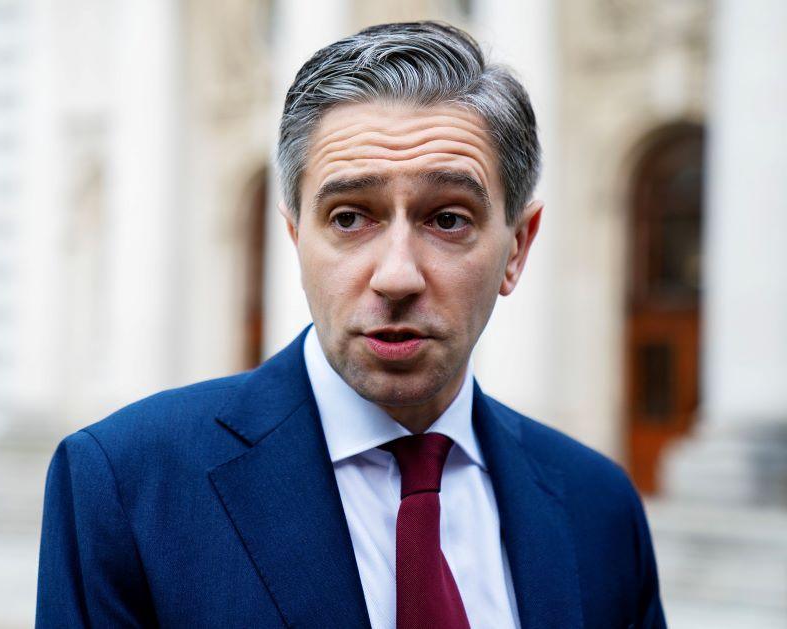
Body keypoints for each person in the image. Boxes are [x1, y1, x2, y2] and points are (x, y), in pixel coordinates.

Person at [36, 21, 666, 629]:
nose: (397, 276)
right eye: (348, 217)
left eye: (447, 219)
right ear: (294, 238)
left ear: (518, 248)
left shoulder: (599, 507)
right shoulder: (125, 484)